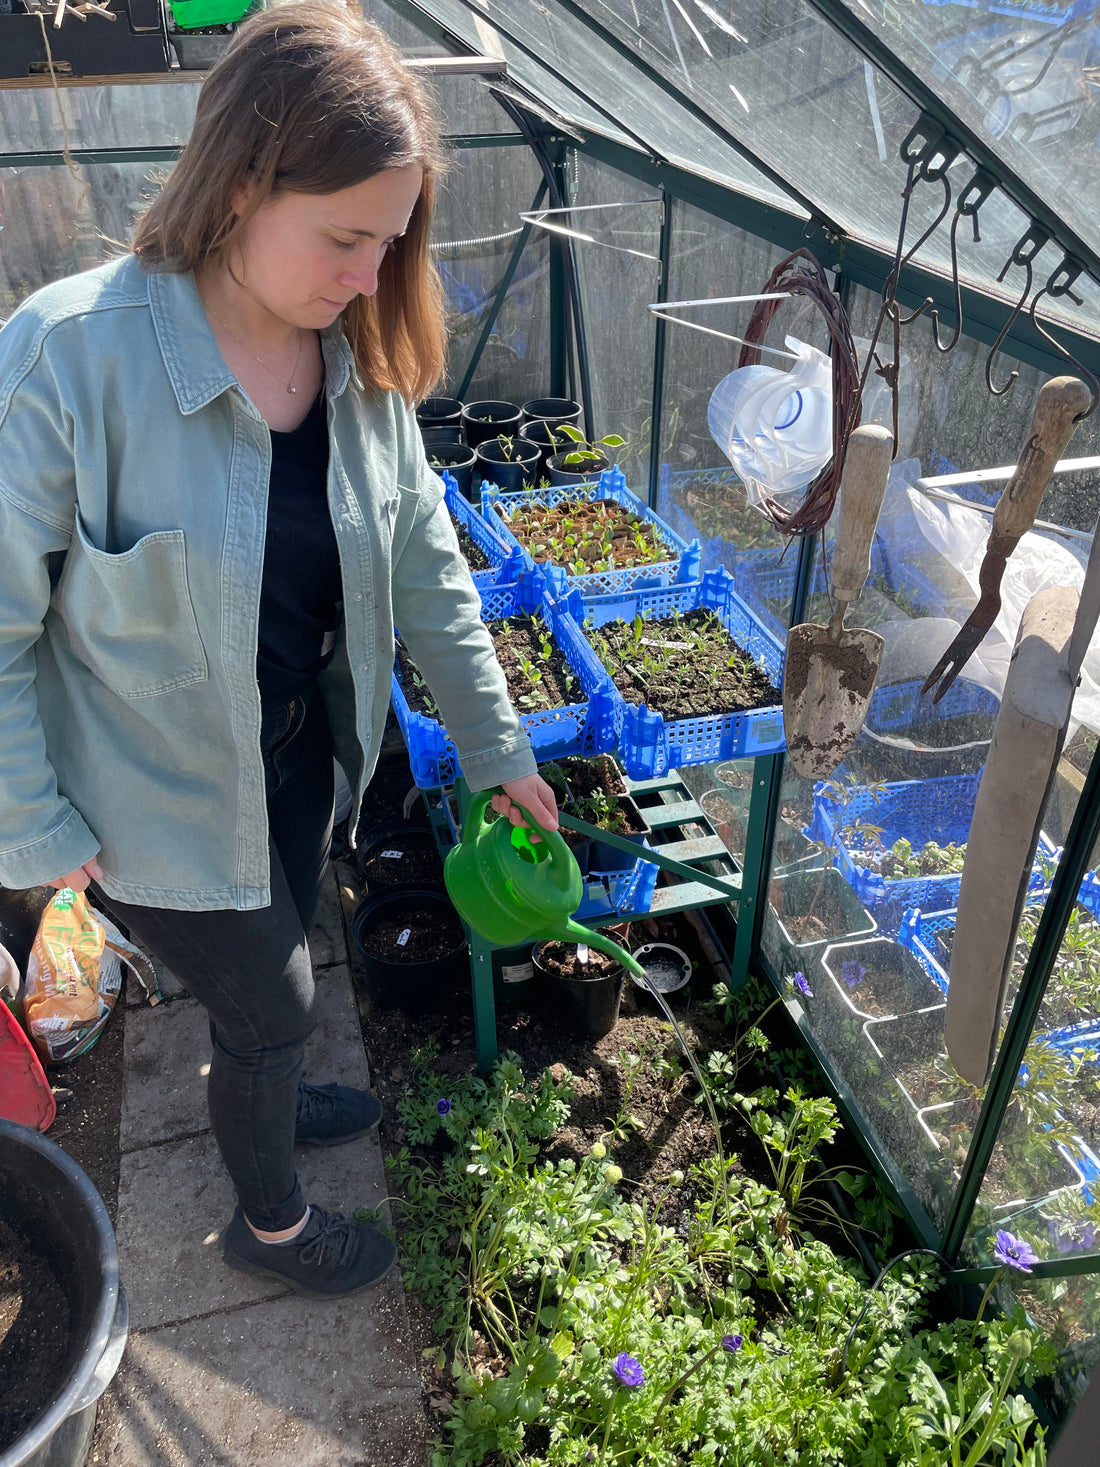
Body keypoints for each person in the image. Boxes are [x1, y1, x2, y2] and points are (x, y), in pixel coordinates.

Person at [0, 2, 558, 1301]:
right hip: (148, 800)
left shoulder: (354, 355)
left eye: (391, 239)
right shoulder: (68, 360)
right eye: (346, 237)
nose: (372, 276)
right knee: (270, 1000)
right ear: (243, 182)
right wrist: (32, 824)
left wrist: (498, 751)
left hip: (300, 754)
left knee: (288, 937)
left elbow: (425, 564)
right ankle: (271, 1224)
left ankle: (275, 1065)